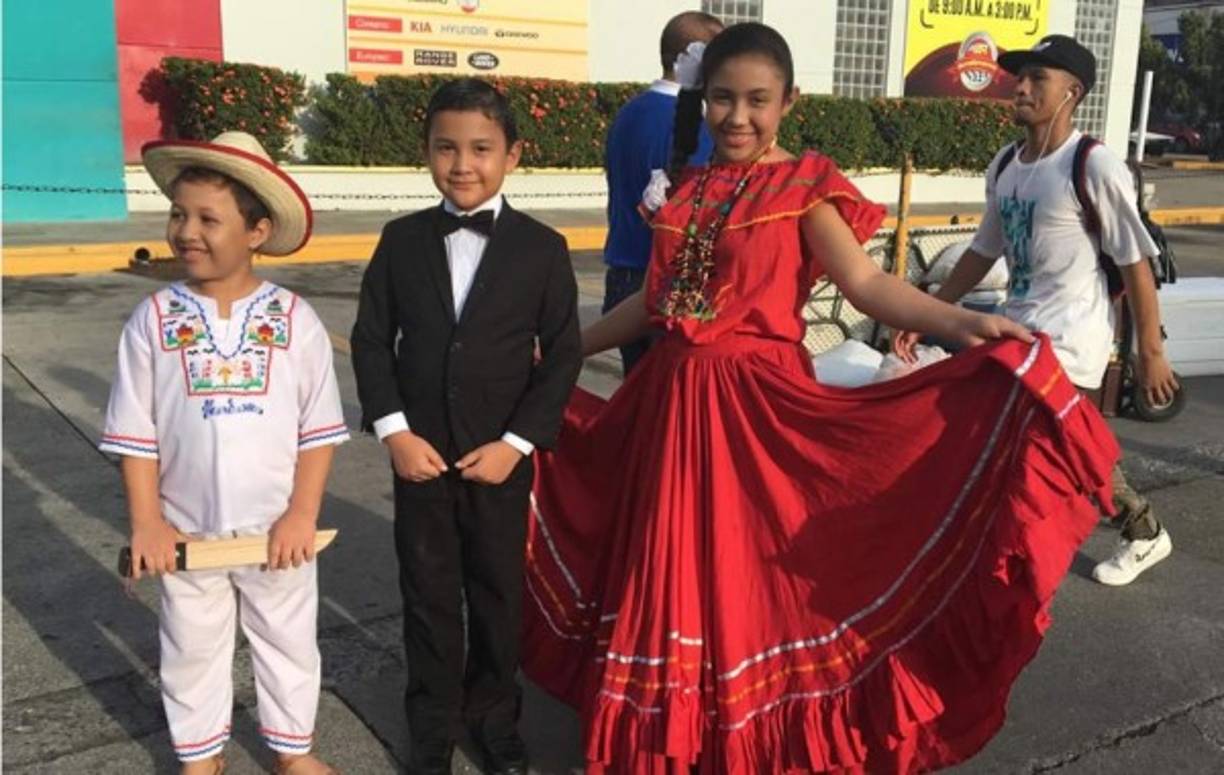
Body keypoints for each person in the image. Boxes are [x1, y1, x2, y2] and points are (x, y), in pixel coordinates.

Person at [519, 23, 1120, 773]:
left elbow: (866, 285)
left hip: (756, 418)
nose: (737, 117)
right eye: (722, 100)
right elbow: (653, 301)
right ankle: (671, 744)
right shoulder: (688, 190)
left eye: (757, 101)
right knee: (665, 577)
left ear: (788, 102)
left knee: (750, 585)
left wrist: (961, 320)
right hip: (666, 413)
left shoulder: (802, 186)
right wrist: (568, 348)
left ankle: (737, 742)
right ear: (702, 99)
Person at [350, 79, 582, 775]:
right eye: (445, 147)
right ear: (425, 151)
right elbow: (369, 339)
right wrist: (394, 431)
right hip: (420, 457)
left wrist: (516, 445)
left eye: (481, 148)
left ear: (512, 154)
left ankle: (494, 716)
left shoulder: (542, 249)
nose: (462, 164)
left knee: (497, 594)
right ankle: (430, 723)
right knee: (425, 592)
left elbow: (564, 352)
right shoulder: (400, 240)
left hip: (498, 461)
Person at [100, 131, 347, 775]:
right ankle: (200, 756)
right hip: (186, 529)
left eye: (210, 218)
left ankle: (294, 752)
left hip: (277, 530)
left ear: (257, 230)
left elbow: (317, 431)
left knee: (288, 640)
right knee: (191, 645)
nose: (188, 231)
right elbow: (136, 433)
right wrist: (148, 521)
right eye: (179, 214)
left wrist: (301, 513)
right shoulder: (153, 320)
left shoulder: (296, 320)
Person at [894, 35, 1178, 587]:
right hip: (1015, 331)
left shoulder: (1092, 165)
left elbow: (1135, 262)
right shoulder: (1006, 165)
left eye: (1036, 79)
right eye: (1019, 77)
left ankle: (1130, 533)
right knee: (1065, 451)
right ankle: (1138, 530)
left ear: (1072, 92)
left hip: (1072, 340)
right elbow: (983, 250)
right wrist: (928, 312)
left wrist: (1152, 353)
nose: (1020, 88)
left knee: (1051, 449)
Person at [602, 11, 723, 375]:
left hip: (622, 276)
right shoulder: (694, 126)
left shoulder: (627, 114)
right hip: (665, 286)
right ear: (699, 56)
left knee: (637, 407)